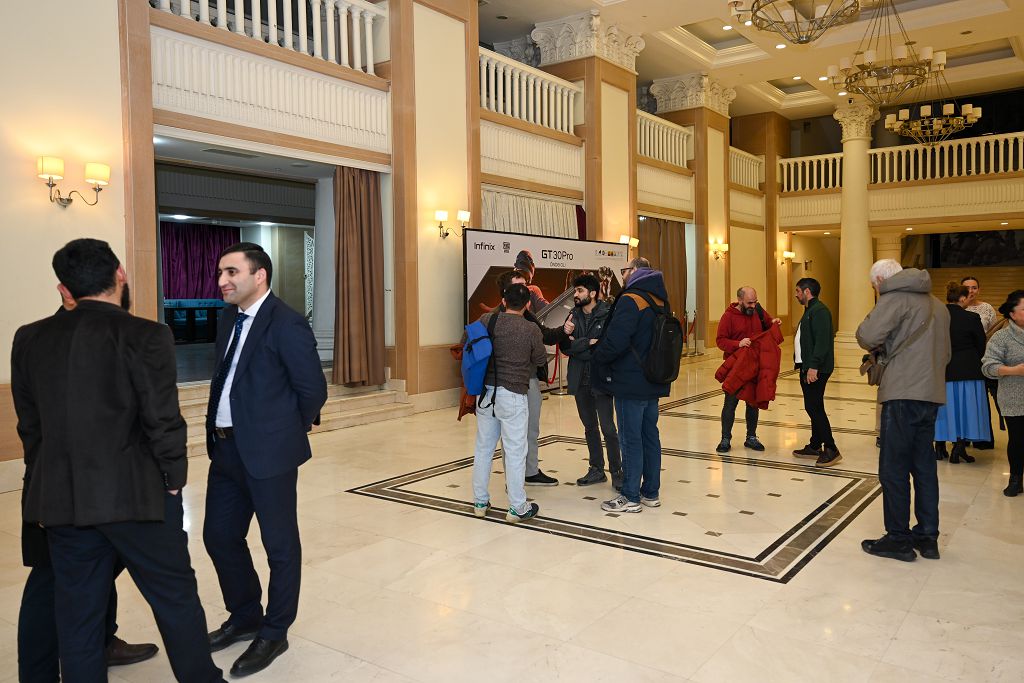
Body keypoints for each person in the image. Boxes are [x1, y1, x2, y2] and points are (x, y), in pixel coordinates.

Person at [11, 238, 223, 681]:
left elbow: (30, 427)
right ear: (120, 274)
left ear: (65, 289)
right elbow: (162, 419)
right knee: (175, 599)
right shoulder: (146, 334)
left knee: (78, 617)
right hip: (138, 496)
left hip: (65, 501)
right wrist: (174, 480)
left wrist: (51, 477)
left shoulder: (29, 338)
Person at [17, 292, 161, 682]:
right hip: (59, 491)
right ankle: (39, 673)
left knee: (96, 566)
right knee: (49, 582)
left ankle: (102, 640)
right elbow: (34, 427)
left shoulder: (107, 334)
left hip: (100, 490)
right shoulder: (45, 340)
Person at [203, 242, 328, 677]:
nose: (222, 281)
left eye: (231, 272)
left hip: (269, 453)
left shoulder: (287, 322)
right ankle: (245, 616)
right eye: (220, 272)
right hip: (225, 449)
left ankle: (275, 632)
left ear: (260, 276)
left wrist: (283, 431)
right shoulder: (228, 318)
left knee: (279, 545)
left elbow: (312, 390)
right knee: (219, 536)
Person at [856, 259, 950, 562]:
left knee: (893, 468)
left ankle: (898, 539)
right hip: (931, 395)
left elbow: (866, 336)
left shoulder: (894, 298)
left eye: (874, 286)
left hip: (902, 395)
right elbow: (946, 354)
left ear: (880, 280)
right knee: (924, 467)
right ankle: (928, 537)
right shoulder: (939, 305)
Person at [592, 260, 672, 513]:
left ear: (635, 271)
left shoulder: (631, 299)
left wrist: (597, 356)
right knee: (650, 436)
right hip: (653, 378)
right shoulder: (660, 299)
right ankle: (651, 492)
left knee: (630, 438)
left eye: (624, 271)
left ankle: (630, 495)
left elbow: (616, 340)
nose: (623, 276)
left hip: (630, 380)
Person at [470, 283, 547, 522]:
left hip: (486, 394)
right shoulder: (530, 329)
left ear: (503, 302)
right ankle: (517, 507)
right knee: (514, 451)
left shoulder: (487, 320)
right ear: (527, 304)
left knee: (484, 448)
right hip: (513, 395)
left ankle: (480, 502)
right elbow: (541, 359)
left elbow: (467, 340)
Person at [496, 269, 560, 486]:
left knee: (531, 428)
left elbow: (546, 336)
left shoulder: (529, 317)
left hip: (530, 381)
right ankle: (513, 479)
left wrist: (565, 329)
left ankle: (530, 471)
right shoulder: (493, 318)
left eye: (525, 286)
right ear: (505, 294)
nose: (524, 291)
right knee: (509, 434)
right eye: (519, 286)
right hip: (503, 385)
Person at [560, 273, 622, 489]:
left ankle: (617, 471)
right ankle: (596, 469)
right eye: (575, 290)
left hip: (601, 379)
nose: (575, 295)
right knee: (589, 427)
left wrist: (579, 344)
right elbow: (565, 347)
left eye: (580, 290)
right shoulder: (572, 316)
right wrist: (587, 343)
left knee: (608, 428)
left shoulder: (608, 314)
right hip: (580, 380)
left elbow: (605, 346)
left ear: (593, 293)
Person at [715, 287, 781, 453]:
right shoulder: (728, 316)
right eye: (749, 303)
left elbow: (768, 324)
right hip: (736, 367)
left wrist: (774, 323)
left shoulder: (758, 310)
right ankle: (725, 438)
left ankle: (751, 437)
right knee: (730, 403)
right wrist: (738, 343)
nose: (753, 305)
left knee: (753, 402)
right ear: (740, 300)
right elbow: (720, 341)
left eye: (755, 302)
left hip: (754, 365)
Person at [934, 282, 990, 463]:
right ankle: (959, 448)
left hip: (943, 370)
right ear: (963, 298)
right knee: (966, 410)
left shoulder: (936, 316)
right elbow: (981, 345)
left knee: (944, 410)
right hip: (968, 370)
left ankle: (939, 446)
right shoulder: (971, 318)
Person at [791, 278, 841, 467]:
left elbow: (822, 342)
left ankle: (831, 448)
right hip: (808, 366)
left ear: (806, 292)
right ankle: (814, 445)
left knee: (814, 407)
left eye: (798, 291)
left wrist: (813, 366)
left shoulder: (819, 311)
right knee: (814, 405)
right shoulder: (810, 310)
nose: (796, 295)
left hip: (816, 368)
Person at [981, 290, 1024, 497]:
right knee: (1018, 440)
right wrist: (1014, 370)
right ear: (1012, 314)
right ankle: (1016, 478)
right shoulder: (1002, 337)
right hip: (1014, 398)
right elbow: (988, 367)